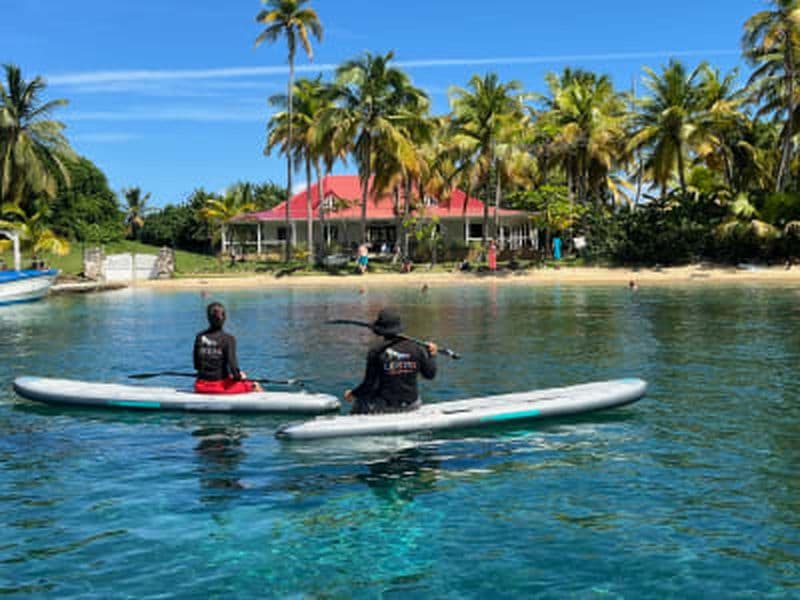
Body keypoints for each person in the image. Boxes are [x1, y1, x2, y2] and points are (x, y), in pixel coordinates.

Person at [344, 309, 437, 414]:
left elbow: (368, 385)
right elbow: (430, 375)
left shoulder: (376, 351)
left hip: (386, 407)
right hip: (412, 405)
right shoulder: (416, 348)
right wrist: (432, 355)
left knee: (361, 400)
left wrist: (353, 394)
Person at [193, 302, 262, 394]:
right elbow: (233, 368)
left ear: (208, 318)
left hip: (200, 386)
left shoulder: (199, 337)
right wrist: (240, 376)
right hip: (220, 387)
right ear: (224, 318)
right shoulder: (229, 339)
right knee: (254, 385)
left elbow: (196, 366)